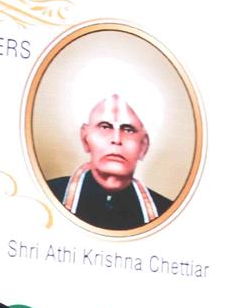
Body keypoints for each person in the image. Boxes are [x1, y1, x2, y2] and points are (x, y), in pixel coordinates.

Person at [48, 72, 174, 230]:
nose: (116, 139)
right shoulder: (49, 195)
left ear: (144, 146)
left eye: (128, 129)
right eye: (105, 127)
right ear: (85, 138)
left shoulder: (168, 214)